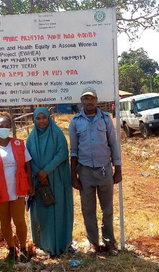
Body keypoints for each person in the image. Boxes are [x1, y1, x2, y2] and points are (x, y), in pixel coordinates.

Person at [69, 87, 122, 256]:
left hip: (104, 170)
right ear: (82, 101)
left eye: (91, 99)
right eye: (86, 99)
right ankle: (93, 243)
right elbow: (74, 151)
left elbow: (113, 145)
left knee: (107, 209)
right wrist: (74, 176)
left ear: (96, 101)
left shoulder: (105, 119)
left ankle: (109, 243)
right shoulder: (76, 121)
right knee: (88, 210)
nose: (89, 102)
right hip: (85, 172)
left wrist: (118, 169)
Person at [0, 112, 34, 262]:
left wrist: (31, 186)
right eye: (1, 126)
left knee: (19, 220)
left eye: (6, 126)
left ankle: (23, 249)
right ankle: (11, 249)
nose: (4, 128)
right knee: (5, 222)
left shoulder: (19, 144)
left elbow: (27, 165)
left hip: (18, 189)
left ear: (10, 128)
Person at [26, 107, 74, 257]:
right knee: (41, 213)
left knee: (58, 210)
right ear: (34, 120)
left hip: (56, 179)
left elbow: (62, 154)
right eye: (38, 119)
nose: (41, 121)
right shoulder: (31, 137)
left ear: (49, 118)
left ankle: (60, 244)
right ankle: (43, 245)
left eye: (44, 118)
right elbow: (28, 158)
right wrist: (39, 173)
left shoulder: (57, 133)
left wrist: (45, 171)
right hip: (40, 182)